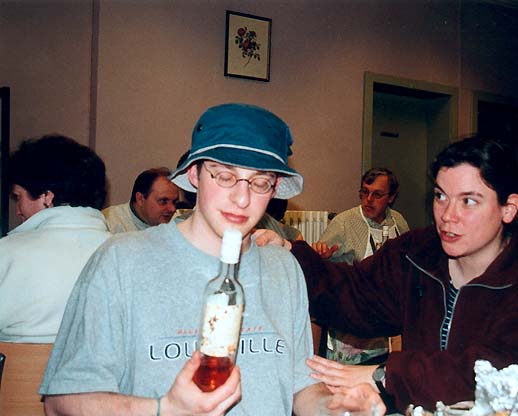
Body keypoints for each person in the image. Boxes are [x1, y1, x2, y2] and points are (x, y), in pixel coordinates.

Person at [39, 104, 385, 416]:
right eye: (225, 176)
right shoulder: (122, 261)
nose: (241, 198)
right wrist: (164, 409)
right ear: (194, 175)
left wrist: (337, 408)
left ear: (275, 188)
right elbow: (62, 402)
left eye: (260, 182)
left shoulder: (284, 268)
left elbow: (302, 389)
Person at [256, 136, 518, 411]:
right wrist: (291, 256)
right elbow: (355, 294)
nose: (448, 216)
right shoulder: (417, 253)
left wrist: (386, 375)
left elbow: (503, 367)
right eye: (441, 196)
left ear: (508, 208)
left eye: (468, 201)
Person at [0, 134, 110, 343]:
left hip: (16, 365)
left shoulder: (6, 253)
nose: (18, 211)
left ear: (47, 197)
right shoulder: (125, 253)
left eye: (18, 197)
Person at [312, 167, 410, 366]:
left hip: (384, 319)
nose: (368, 200)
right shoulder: (344, 222)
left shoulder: (398, 222)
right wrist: (322, 255)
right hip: (351, 320)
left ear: (391, 197)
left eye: (377, 194)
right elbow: (321, 270)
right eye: (364, 192)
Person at [102, 167, 179, 233]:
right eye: (163, 201)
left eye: (174, 202)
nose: (172, 209)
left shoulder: (178, 221)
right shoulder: (108, 223)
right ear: (140, 199)